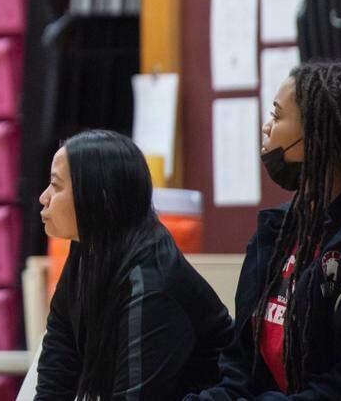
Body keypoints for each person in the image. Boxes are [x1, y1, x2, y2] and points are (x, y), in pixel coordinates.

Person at [35, 130, 233, 400]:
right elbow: (58, 366)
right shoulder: (89, 247)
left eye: (56, 186)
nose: (43, 198)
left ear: (100, 197)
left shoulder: (151, 283)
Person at [190, 61, 341, 399]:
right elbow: (240, 365)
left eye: (277, 116)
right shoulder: (274, 233)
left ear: (315, 135)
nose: (266, 127)